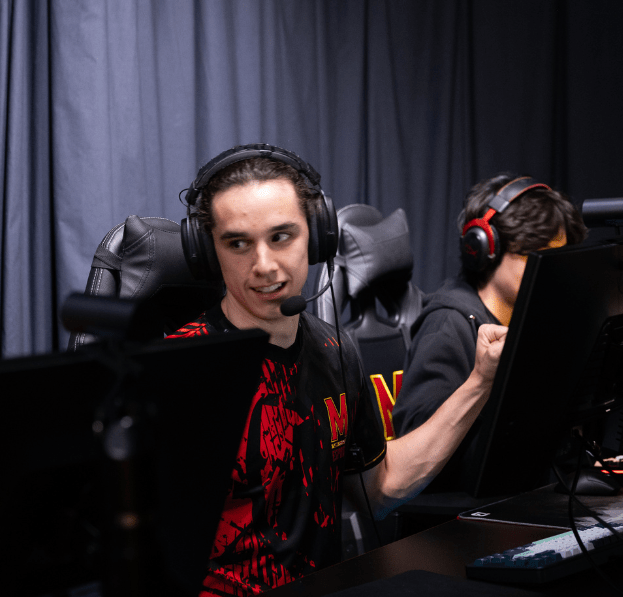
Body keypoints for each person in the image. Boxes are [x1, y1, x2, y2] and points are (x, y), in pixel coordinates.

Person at [167, 144, 507, 597]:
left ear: (318, 236)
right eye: (238, 243)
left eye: (282, 236)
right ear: (209, 253)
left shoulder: (335, 351)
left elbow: (381, 488)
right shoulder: (180, 368)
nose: (264, 265)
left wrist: (479, 382)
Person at [391, 173, 587, 487]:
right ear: (483, 249)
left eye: (557, 257)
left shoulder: (531, 317)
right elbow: (414, 444)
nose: (551, 272)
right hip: (459, 519)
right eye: (534, 257)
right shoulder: (449, 324)